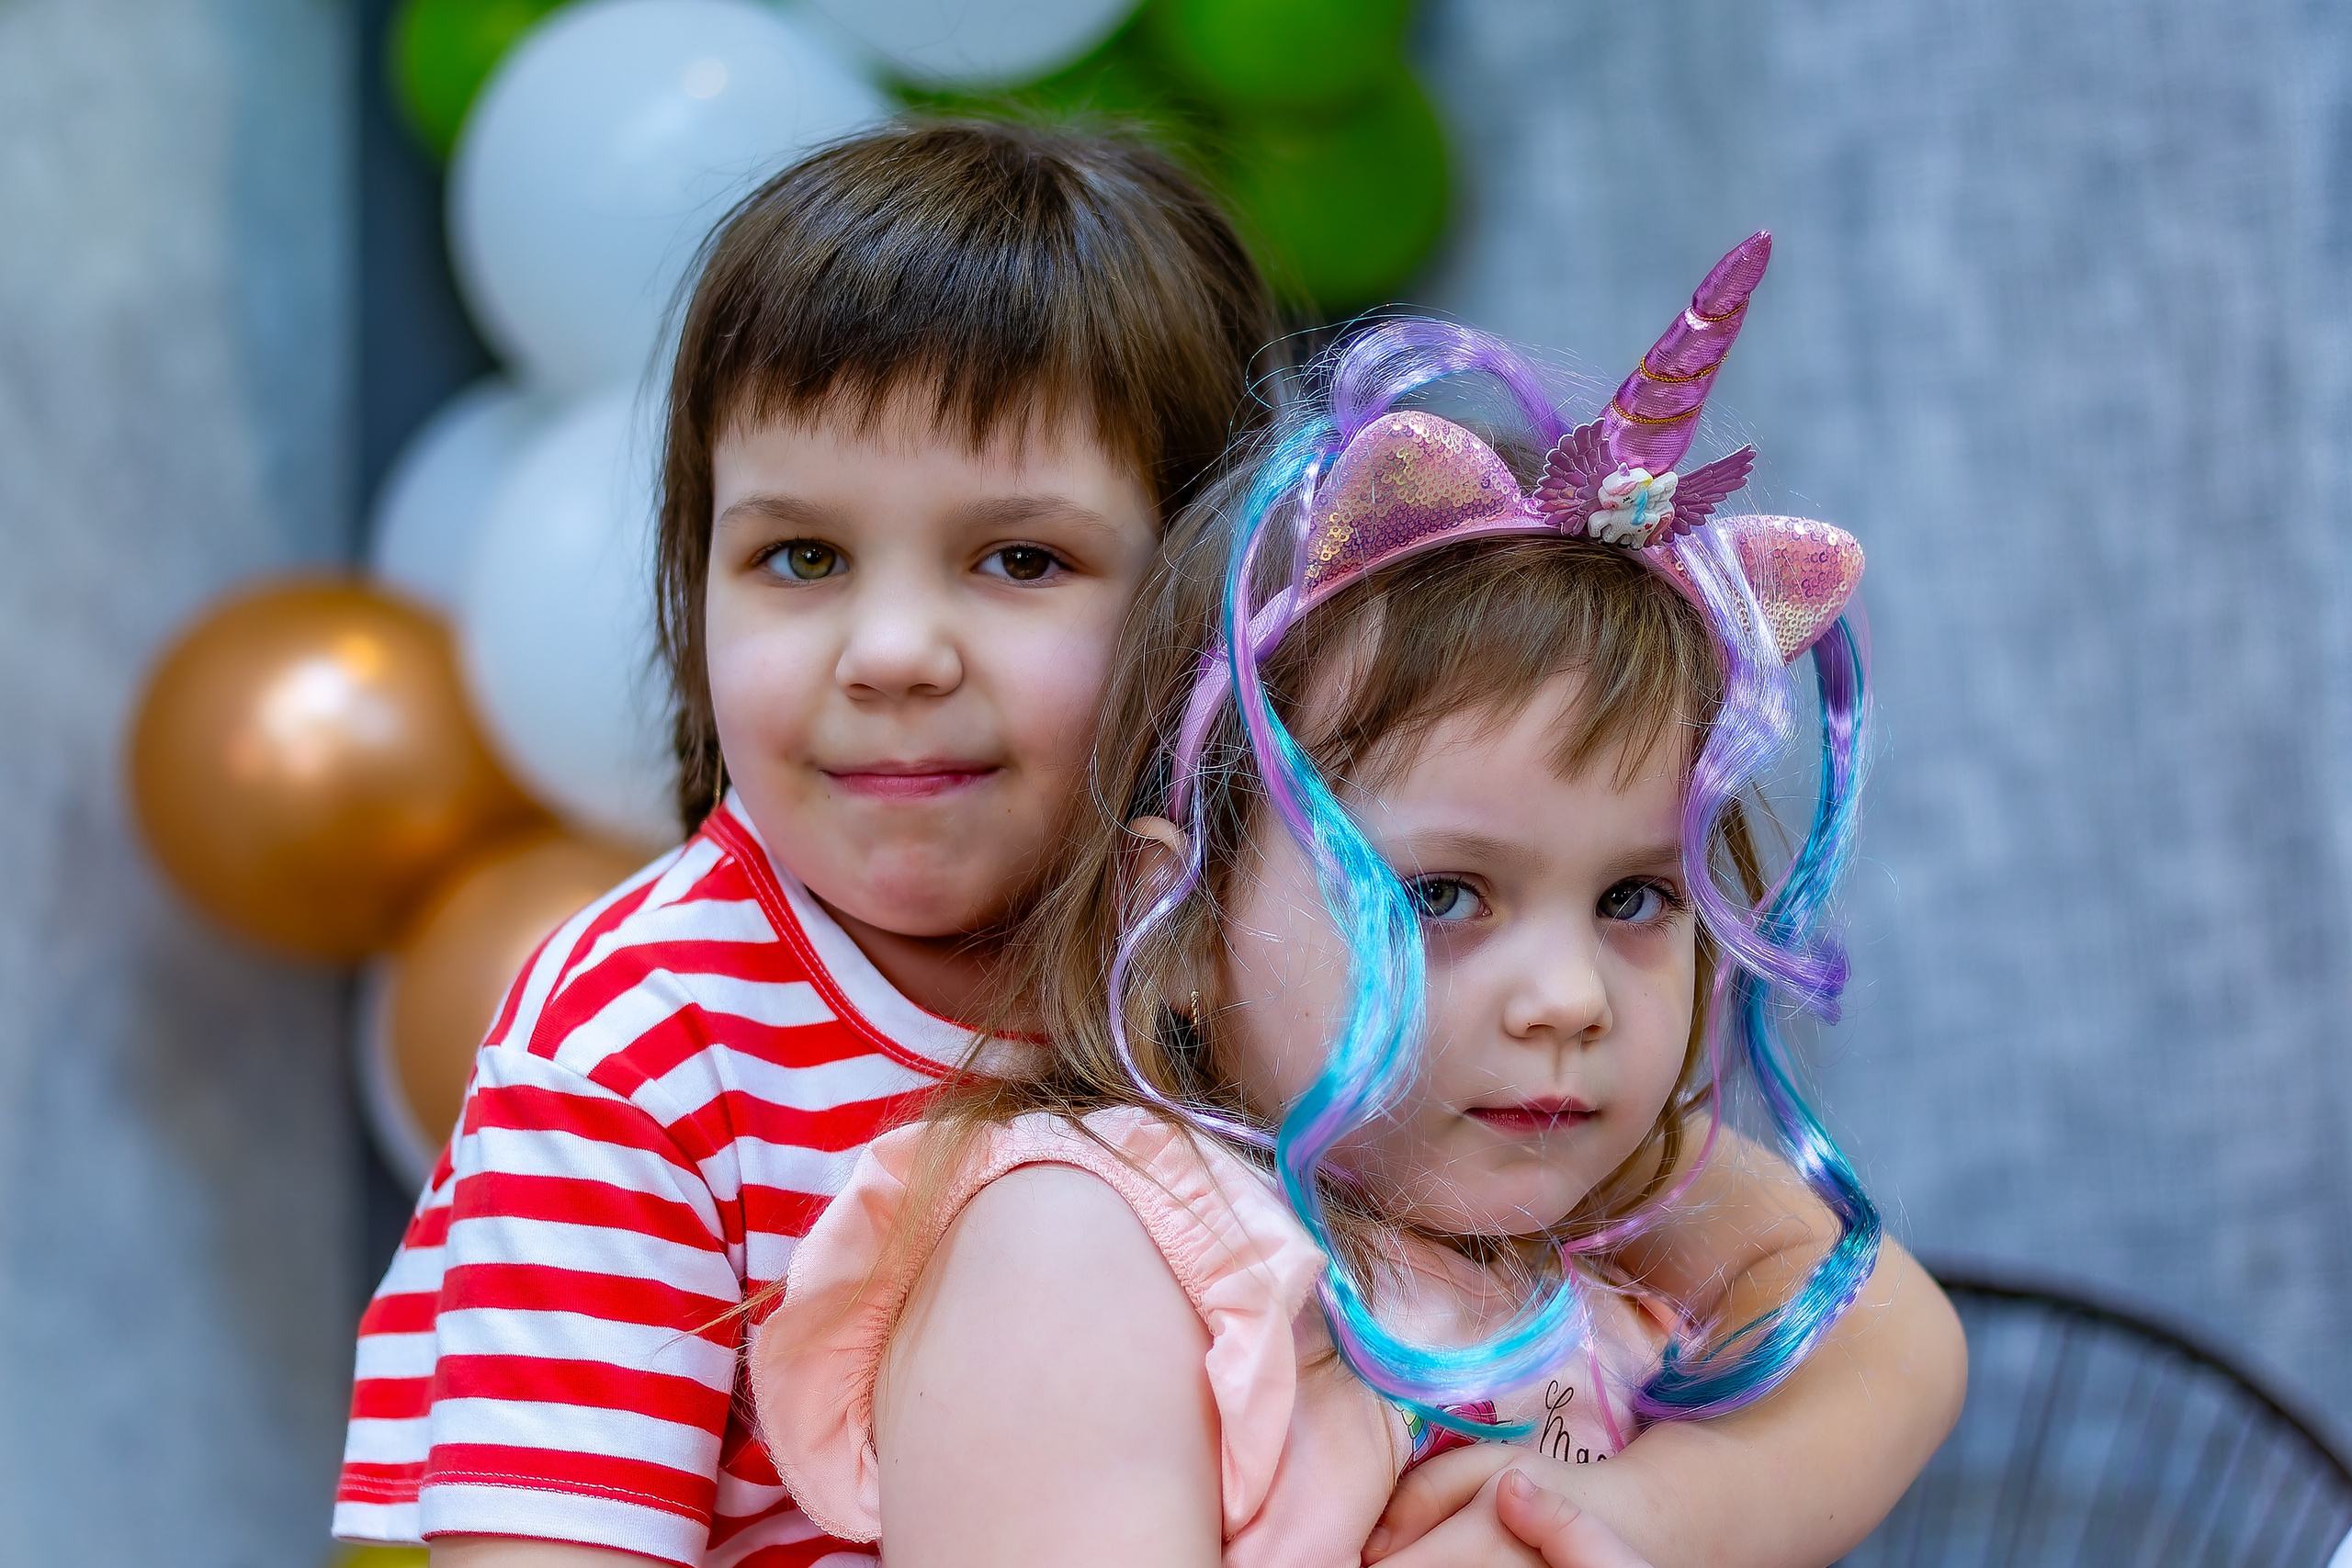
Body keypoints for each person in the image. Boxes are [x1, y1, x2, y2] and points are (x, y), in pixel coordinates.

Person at [332, 128, 1959, 1566]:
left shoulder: (1299, 947)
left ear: (1219, 604)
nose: (890, 650)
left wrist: (1653, 1517)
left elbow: (1880, 1334)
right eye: (800, 556)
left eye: (1020, 558)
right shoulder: (639, 1035)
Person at [747, 242, 1963, 1568]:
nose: (1567, 999)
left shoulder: (1579, 1196)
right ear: (1184, 929)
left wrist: (1637, 1519)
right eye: (1440, 894)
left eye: (1634, 896)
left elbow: (1897, 1345)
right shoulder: (1092, 1248)